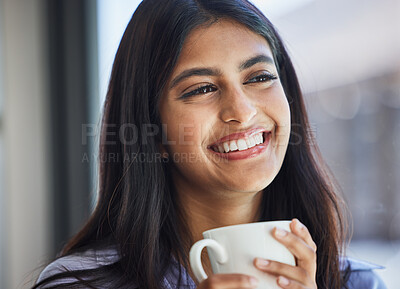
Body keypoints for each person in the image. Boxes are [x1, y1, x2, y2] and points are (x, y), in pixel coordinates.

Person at [33, 0, 387, 288]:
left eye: (260, 77)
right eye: (202, 88)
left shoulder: (358, 283)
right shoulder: (78, 284)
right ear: (151, 131)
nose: (242, 111)